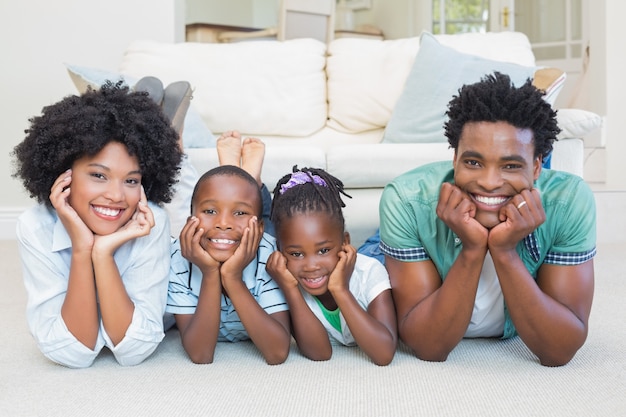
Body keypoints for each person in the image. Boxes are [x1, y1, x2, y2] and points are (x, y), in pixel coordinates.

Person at [379, 72, 596, 367]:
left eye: (510, 165)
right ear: (454, 159)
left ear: (535, 168)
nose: (490, 182)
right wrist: (472, 250)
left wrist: (505, 253)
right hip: (410, 234)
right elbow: (429, 345)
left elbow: (558, 350)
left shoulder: (569, 202)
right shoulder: (406, 200)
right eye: (473, 162)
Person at [12, 80, 184, 368]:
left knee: (188, 200)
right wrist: (82, 248)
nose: (116, 196)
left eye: (131, 180)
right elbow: (72, 353)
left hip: (168, 245)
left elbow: (134, 351)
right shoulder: (36, 226)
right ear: (63, 175)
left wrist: (102, 254)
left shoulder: (150, 221)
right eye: (98, 175)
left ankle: (175, 132)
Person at [166, 133, 291, 365]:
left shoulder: (270, 257)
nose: (223, 222)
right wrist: (211, 273)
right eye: (210, 211)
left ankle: (250, 180)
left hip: (257, 237)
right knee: (240, 213)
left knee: (275, 226)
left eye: (239, 212)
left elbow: (277, 352)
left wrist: (232, 277)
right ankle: (244, 182)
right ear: (190, 219)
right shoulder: (177, 259)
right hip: (234, 238)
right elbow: (201, 354)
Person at [266, 166, 397, 366]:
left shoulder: (370, 271)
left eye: (323, 250)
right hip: (338, 262)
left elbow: (384, 353)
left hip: (375, 255)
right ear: (280, 252)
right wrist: (290, 289)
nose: (311, 266)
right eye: (296, 254)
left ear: (345, 242)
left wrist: (340, 289)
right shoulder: (287, 280)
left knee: (380, 243)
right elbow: (320, 353)